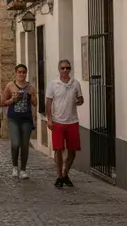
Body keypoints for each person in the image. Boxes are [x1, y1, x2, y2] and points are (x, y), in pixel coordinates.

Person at [46, 59, 84, 188]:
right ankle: (59, 175)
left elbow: (81, 99)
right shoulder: (53, 84)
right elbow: (48, 103)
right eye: (63, 68)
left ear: (70, 69)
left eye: (67, 68)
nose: (65, 70)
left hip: (72, 121)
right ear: (59, 69)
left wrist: (79, 101)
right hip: (58, 121)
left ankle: (65, 173)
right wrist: (49, 119)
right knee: (58, 150)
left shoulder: (75, 84)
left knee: (72, 151)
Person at [3, 63, 37, 179]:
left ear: (26, 73)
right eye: (19, 72)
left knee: (25, 145)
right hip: (13, 118)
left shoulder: (31, 87)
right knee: (15, 143)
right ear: (16, 73)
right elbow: (3, 102)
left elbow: (35, 103)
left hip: (26, 119)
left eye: (24, 72)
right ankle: (14, 167)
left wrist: (32, 96)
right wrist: (13, 99)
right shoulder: (10, 86)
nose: (22, 74)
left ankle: (23, 169)